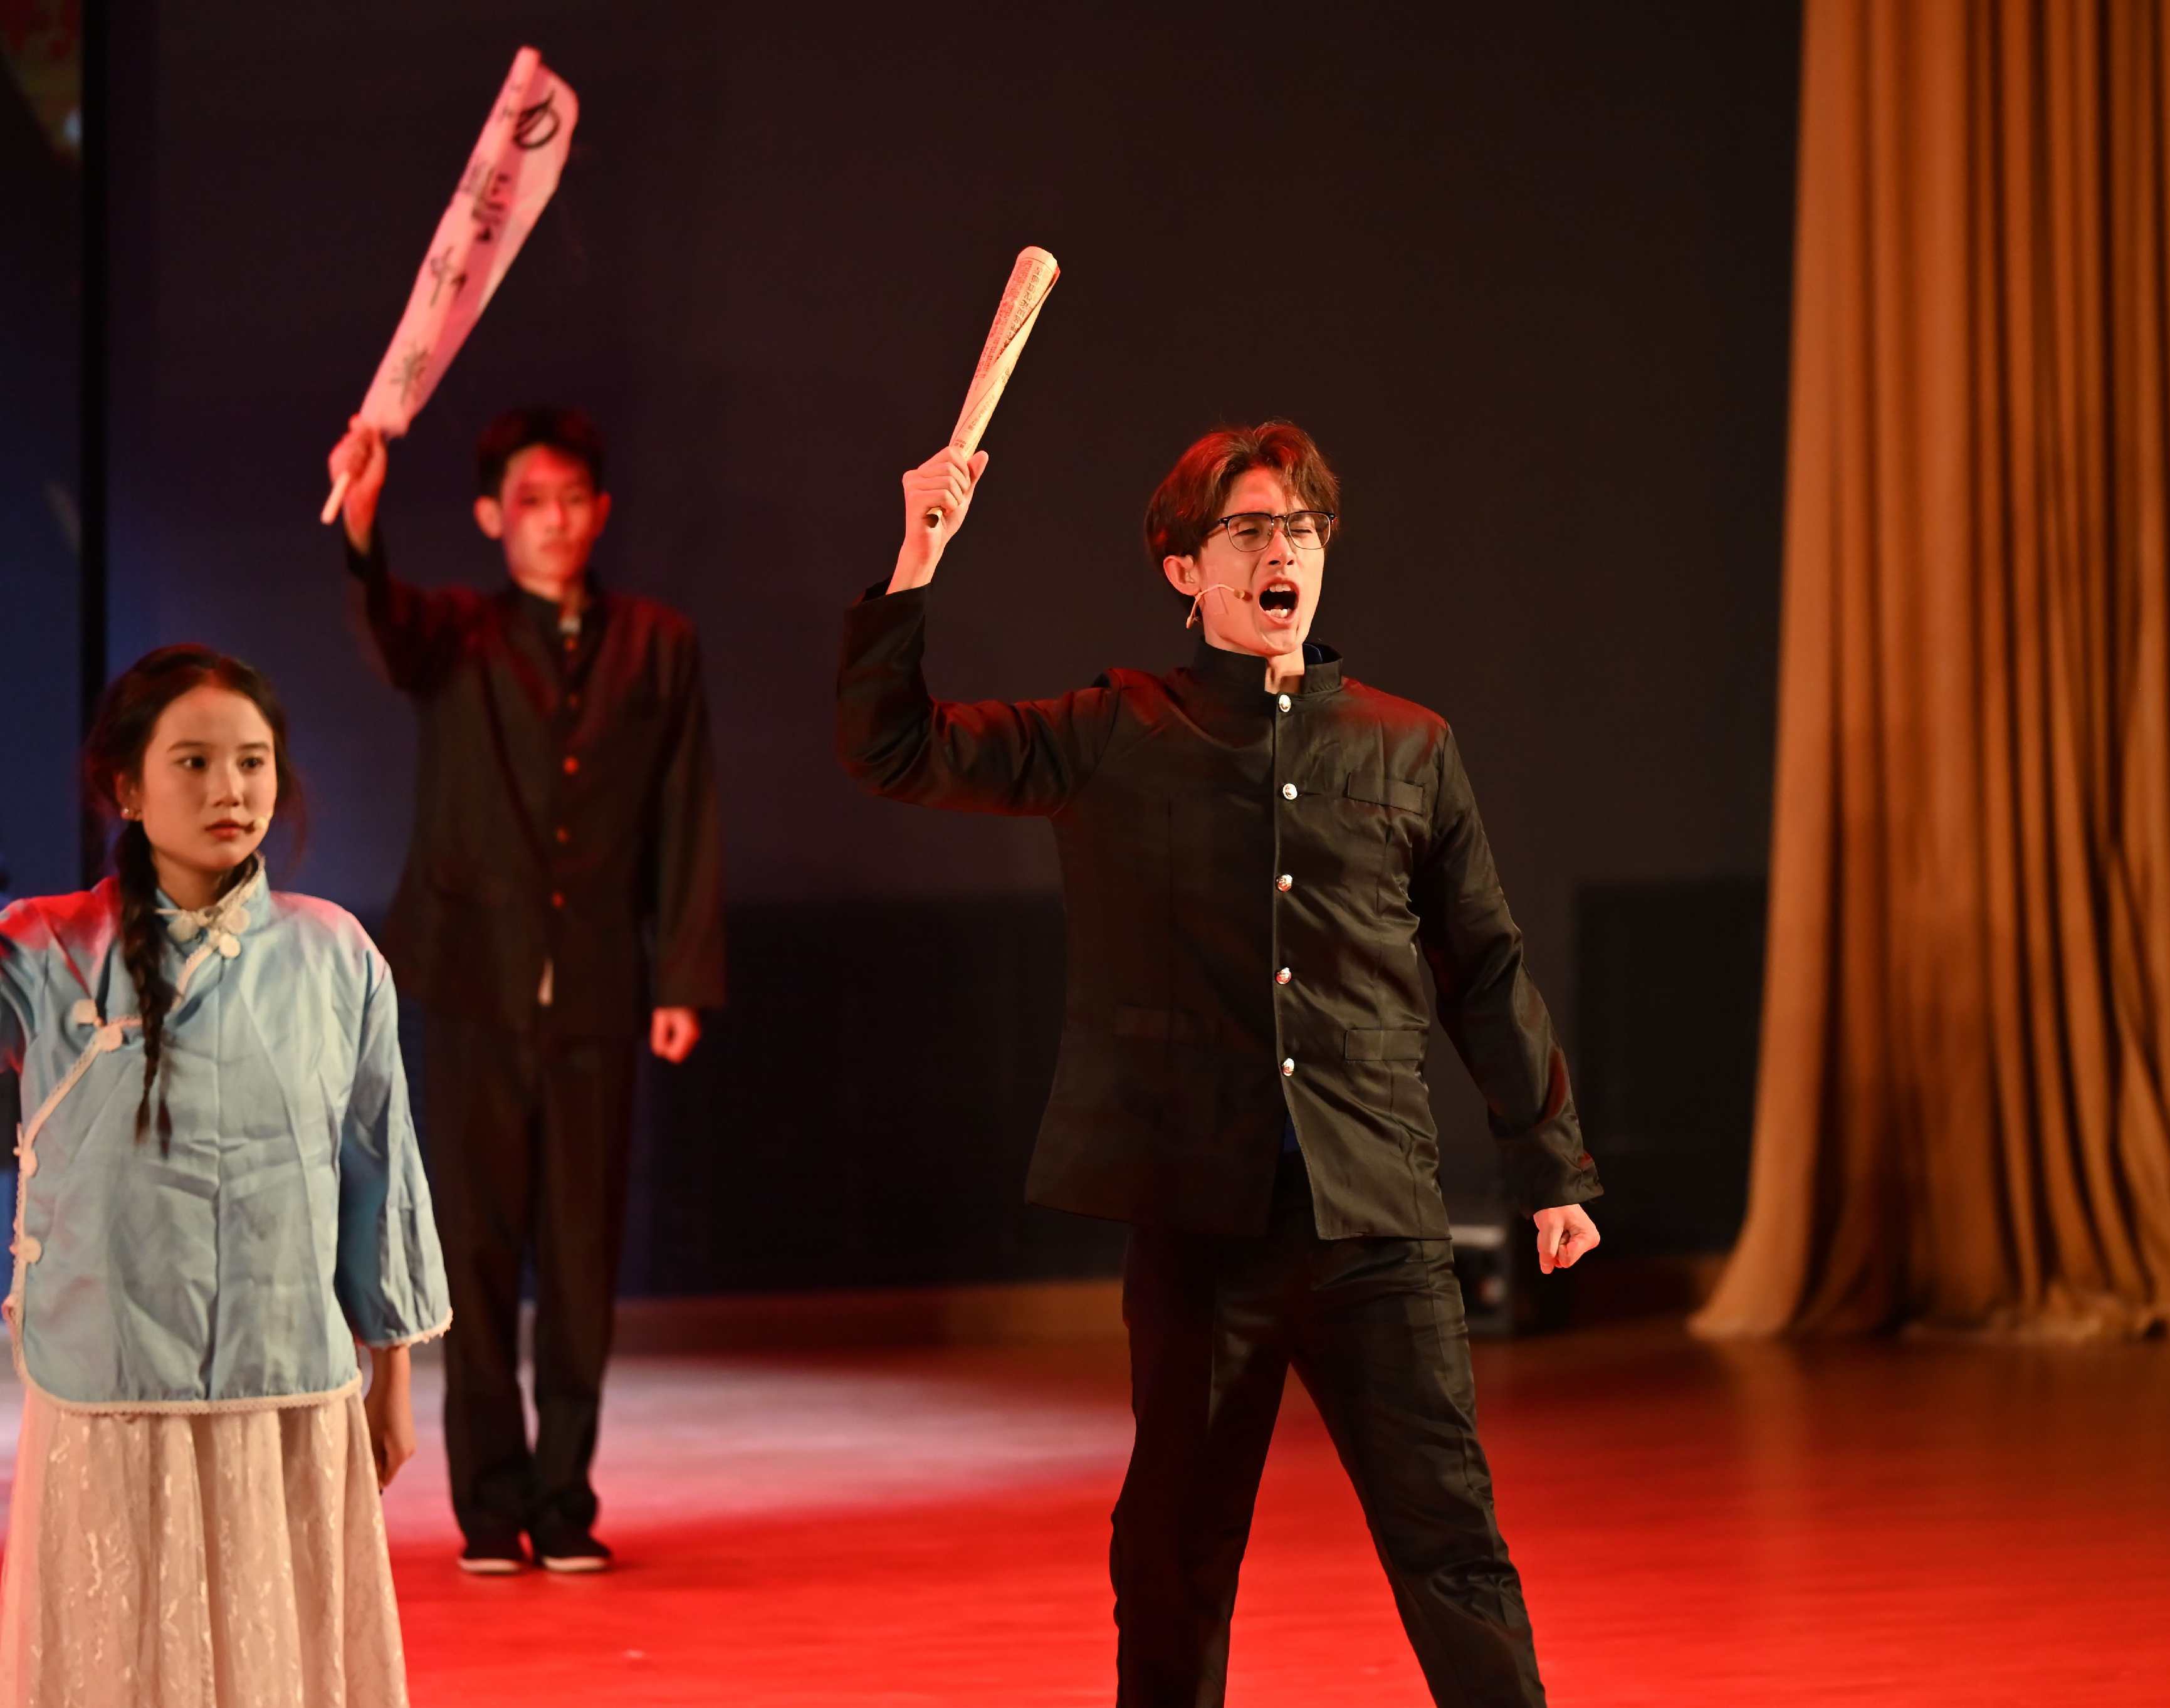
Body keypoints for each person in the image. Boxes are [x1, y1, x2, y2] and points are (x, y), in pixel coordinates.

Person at [836, 422, 1603, 1707]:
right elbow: (895, 750)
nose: (1279, 549)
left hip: (1378, 1220)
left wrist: (1551, 1165)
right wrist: (918, 554)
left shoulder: (1408, 747)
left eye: (1299, 527)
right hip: (1201, 1221)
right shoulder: (1117, 729)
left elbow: (1481, 968)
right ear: (1184, 571)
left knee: (1451, 1539)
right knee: (1175, 1553)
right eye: (1247, 529)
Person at [0, 645, 449, 1705]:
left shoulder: (335, 954)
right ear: (128, 786)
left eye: (251, 761)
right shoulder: (44, 947)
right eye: (193, 762)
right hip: (109, 1379)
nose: (229, 789)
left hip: (283, 1378)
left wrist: (392, 1383)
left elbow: (377, 1171)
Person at [323, 407, 725, 1574]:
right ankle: (491, 1506)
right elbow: (387, 625)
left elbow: (688, 810)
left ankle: (565, 1500)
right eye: (530, 501)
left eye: (572, 499)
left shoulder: (658, 644)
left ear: (601, 512)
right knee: (480, 1247)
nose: (553, 521)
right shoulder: (459, 632)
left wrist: (681, 976)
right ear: (493, 516)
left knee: (583, 1252)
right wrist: (361, 521)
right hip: (470, 984)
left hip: (598, 982)